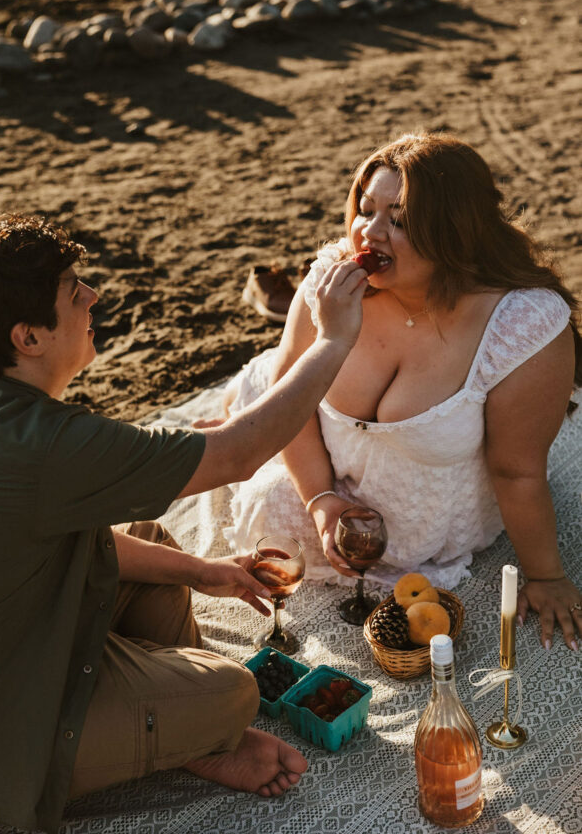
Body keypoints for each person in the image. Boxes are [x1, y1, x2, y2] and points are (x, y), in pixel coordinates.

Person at [0, 214, 370, 834]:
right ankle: (192, 732)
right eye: (73, 292)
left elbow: (63, 541)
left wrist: (203, 572)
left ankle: (180, 720)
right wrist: (333, 342)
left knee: (148, 539)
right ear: (28, 338)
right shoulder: (46, 447)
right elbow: (235, 452)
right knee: (234, 694)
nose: (93, 296)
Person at [223, 132, 582, 651]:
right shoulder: (332, 280)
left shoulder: (519, 324)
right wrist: (323, 501)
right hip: (325, 473)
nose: (368, 233)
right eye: (366, 209)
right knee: (263, 431)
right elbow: (289, 405)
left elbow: (517, 470)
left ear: (456, 232)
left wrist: (546, 575)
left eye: (400, 220)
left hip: (437, 519)